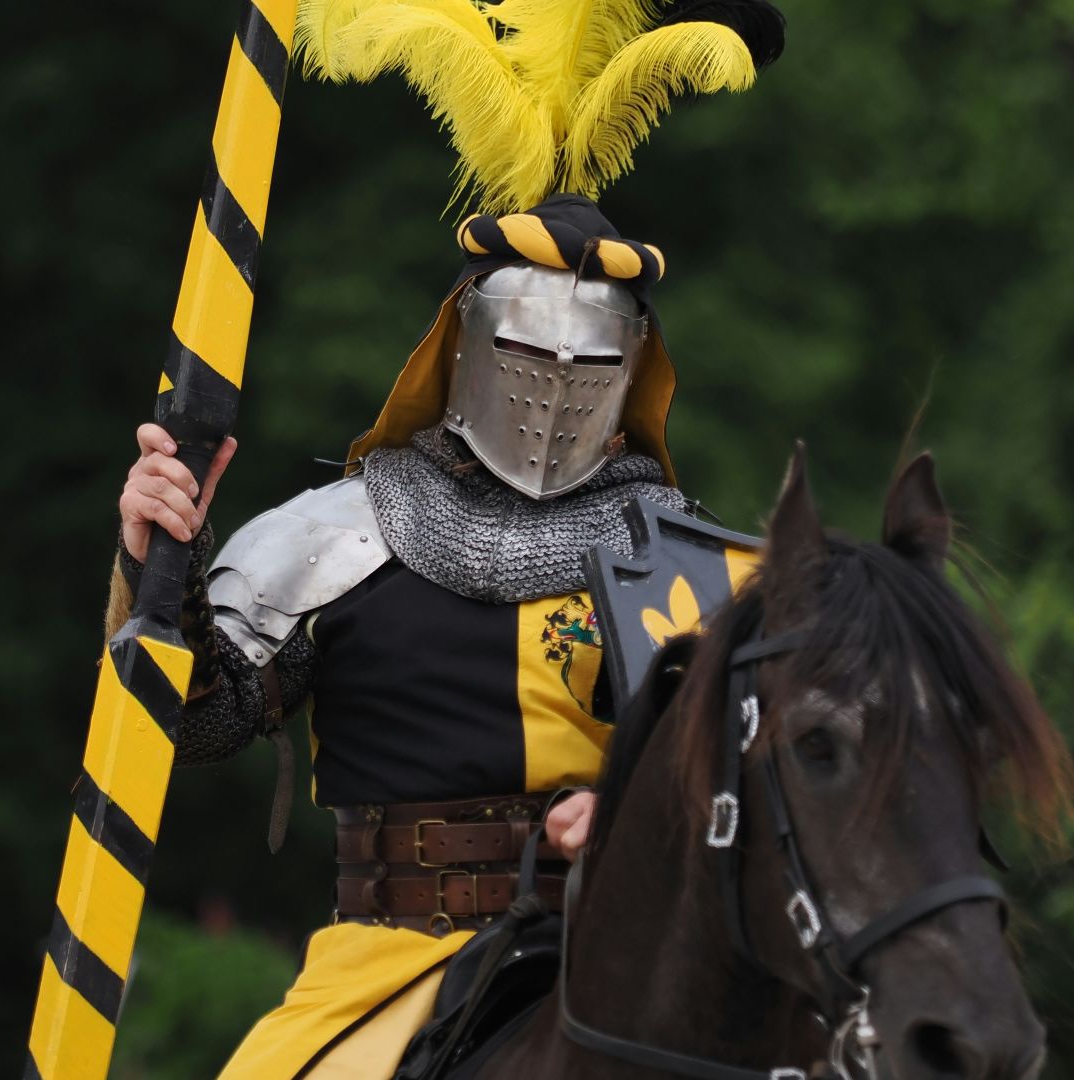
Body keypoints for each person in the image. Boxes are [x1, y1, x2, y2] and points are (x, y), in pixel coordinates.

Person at [103, 3, 784, 1076]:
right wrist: (163, 560)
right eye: (525, 360)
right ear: (461, 347)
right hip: (387, 970)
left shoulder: (704, 575)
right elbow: (199, 724)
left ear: (636, 374)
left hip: (632, 963)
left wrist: (636, 814)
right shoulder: (336, 539)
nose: (552, 398)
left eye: (587, 372)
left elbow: (782, 807)